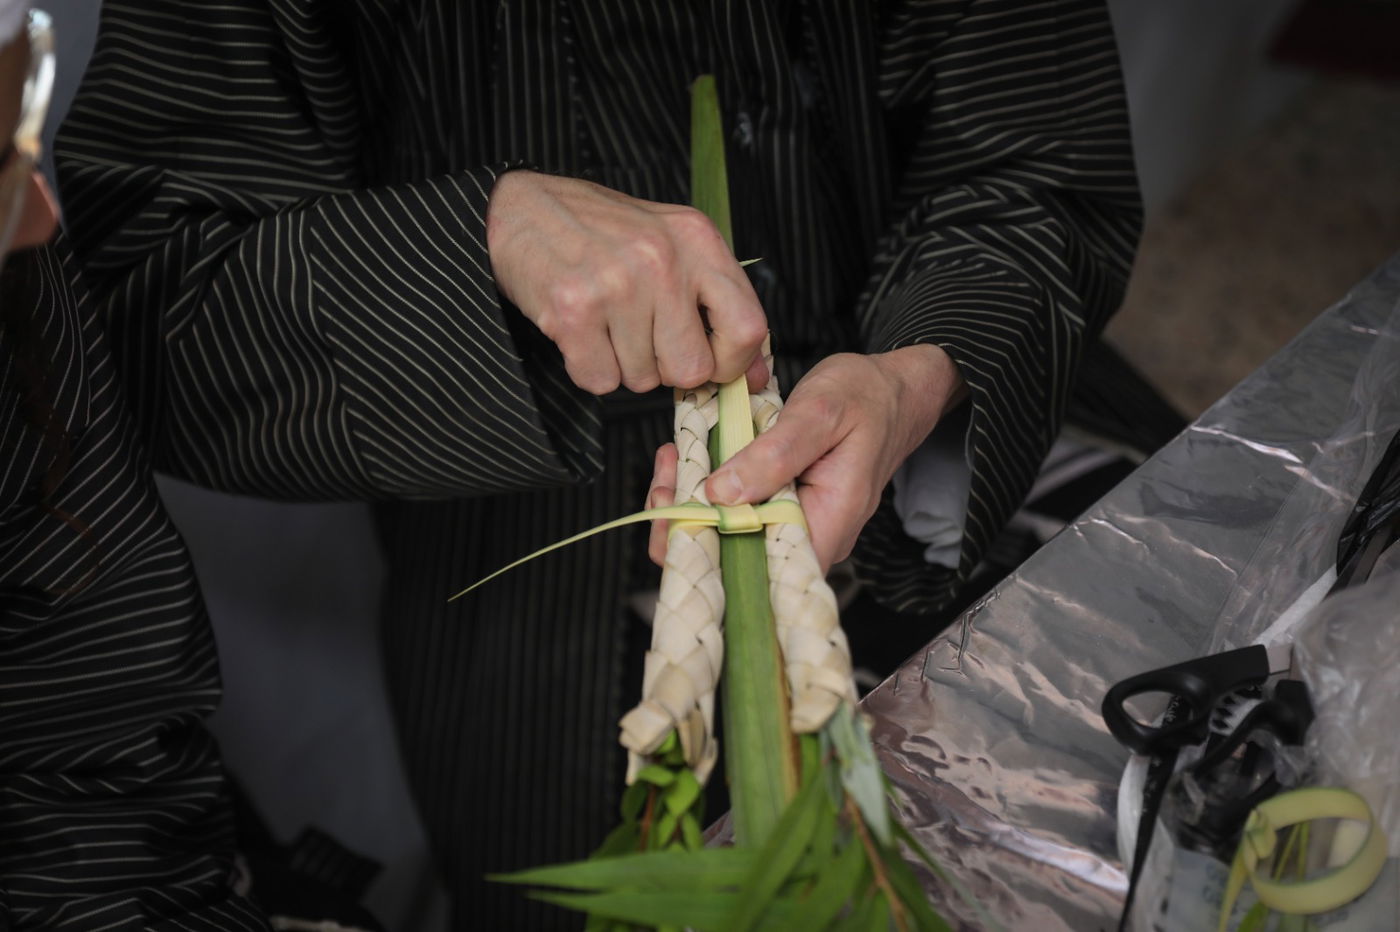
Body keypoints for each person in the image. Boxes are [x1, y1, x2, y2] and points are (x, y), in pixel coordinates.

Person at [53, 1, 1141, 927]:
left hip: (958, 433)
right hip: (523, 580)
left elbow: (1034, 157)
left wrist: (918, 373)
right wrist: (470, 241)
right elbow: (155, 302)